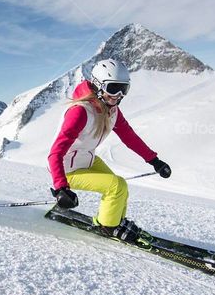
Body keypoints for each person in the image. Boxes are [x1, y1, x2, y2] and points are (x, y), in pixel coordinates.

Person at [47, 58, 171, 242]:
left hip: (86, 159)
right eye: (113, 88)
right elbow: (55, 153)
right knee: (116, 186)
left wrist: (154, 160)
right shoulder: (80, 112)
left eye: (124, 89)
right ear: (98, 86)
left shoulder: (111, 110)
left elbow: (130, 137)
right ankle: (108, 226)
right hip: (67, 168)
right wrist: (61, 188)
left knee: (120, 186)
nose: (119, 95)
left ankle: (116, 221)